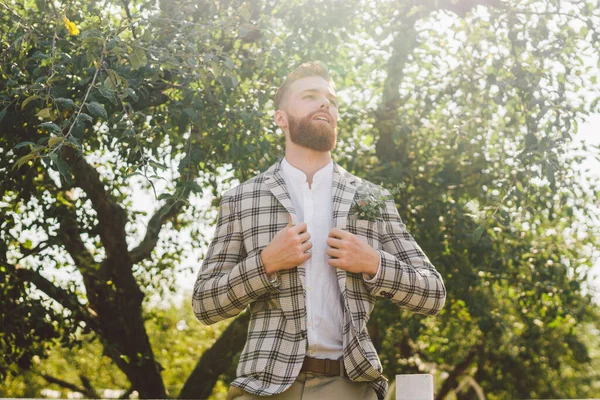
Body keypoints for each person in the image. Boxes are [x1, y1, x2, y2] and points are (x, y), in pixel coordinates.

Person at [192, 61, 446, 400]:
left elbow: (433, 294)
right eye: (310, 96)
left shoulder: (371, 198)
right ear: (281, 117)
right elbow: (205, 304)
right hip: (264, 385)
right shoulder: (242, 199)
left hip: (348, 385)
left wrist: (374, 264)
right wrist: (264, 263)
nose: (325, 104)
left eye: (331, 99)